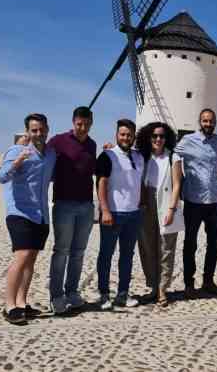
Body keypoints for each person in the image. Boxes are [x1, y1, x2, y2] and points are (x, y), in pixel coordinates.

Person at [0, 113, 56, 324]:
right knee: (21, 257)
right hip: (19, 212)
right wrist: (16, 163)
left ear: (47, 129)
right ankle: (9, 305)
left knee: (31, 259)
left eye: (41, 129)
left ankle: (22, 302)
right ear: (27, 132)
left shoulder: (50, 155)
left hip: (41, 214)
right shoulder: (16, 151)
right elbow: (1, 176)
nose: (38, 133)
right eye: (34, 130)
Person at [169, 108, 217, 299]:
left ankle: (208, 280)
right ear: (199, 121)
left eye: (211, 121)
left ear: (215, 122)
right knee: (190, 244)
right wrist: (179, 180)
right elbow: (172, 155)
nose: (208, 124)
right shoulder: (187, 141)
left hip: (213, 200)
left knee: (214, 244)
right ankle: (189, 283)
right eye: (205, 121)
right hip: (193, 200)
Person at [46, 106, 97, 314]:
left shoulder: (92, 145)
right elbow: (41, 153)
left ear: (91, 123)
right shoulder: (58, 141)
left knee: (78, 252)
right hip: (64, 204)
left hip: (86, 205)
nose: (82, 128)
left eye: (86, 124)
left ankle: (72, 293)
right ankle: (56, 296)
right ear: (73, 122)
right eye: (79, 124)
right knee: (61, 251)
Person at [95, 119, 145, 310]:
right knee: (106, 255)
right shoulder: (107, 155)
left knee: (127, 256)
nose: (126, 137)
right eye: (122, 134)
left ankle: (122, 294)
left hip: (133, 214)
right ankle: (103, 294)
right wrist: (105, 210)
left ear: (133, 136)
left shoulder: (139, 156)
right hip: (113, 213)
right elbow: (101, 183)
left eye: (129, 134)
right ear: (117, 135)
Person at [135, 121, 181, 306]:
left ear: (166, 138)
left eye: (161, 136)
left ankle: (163, 289)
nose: (158, 139)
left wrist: (172, 209)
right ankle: (153, 286)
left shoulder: (173, 157)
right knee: (147, 247)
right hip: (146, 203)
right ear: (149, 137)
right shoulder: (142, 156)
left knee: (166, 248)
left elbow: (177, 184)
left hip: (166, 203)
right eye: (154, 136)